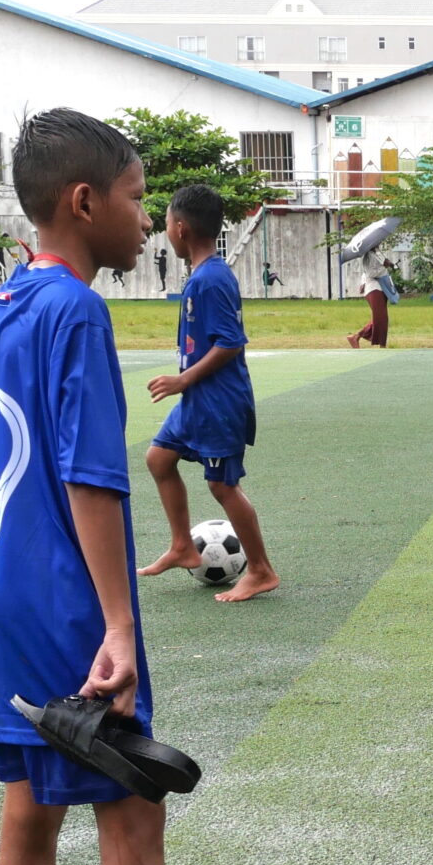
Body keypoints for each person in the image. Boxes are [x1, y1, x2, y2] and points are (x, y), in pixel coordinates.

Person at [0, 108, 297, 865]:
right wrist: (114, 624)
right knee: (132, 808)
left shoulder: (0, 304)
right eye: (138, 198)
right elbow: (91, 479)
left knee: (27, 805)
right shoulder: (73, 312)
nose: (147, 219)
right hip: (58, 595)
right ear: (84, 201)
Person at [137, 185, 278, 603]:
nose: (163, 232)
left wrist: (182, 380)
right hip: (198, 399)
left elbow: (230, 342)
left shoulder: (211, 280)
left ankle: (261, 570)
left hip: (219, 401)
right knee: (159, 458)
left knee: (222, 486)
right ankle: (183, 546)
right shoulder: (203, 275)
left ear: (180, 228)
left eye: (164, 224)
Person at [345, 242, 391, 348]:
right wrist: (384, 267)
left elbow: (366, 273)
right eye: (378, 241)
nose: (379, 243)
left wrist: (388, 264)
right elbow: (370, 273)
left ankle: (356, 337)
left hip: (381, 287)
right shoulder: (368, 255)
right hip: (373, 288)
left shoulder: (377, 254)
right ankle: (360, 337)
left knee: (381, 318)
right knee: (381, 317)